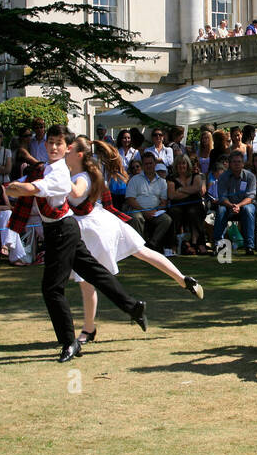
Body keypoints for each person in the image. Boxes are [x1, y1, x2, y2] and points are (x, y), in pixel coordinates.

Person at [5, 125, 149, 363]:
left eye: (58, 144)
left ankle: (69, 342)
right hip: (61, 230)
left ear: (67, 148)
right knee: (95, 273)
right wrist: (16, 188)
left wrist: (14, 188)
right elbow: (26, 185)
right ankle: (133, 307)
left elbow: (31, 188)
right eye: (50, 142)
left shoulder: (61, 174)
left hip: (62, 232)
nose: (53, 147)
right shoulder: (46, 168)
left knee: (52, 288)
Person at [65, 137, 202, 346]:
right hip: (99, 222)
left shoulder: (81, 176)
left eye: (69, 149)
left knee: (87, 281)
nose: (64, 151)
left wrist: (51, 184)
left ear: (79, 155)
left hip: (93, 227)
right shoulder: (79, 171)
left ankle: (89, 328)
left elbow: (76, 192)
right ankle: (184, 279)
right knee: (141, 252)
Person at [125, 153, 173, 253]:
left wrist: (155, 211)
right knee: (136, 217)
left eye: (151, 163)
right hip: (138, 210)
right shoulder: (135, 179)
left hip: (155, 212)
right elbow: (130, 199)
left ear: (155, 164)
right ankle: (140, 247)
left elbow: (164, 202)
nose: (149, 166)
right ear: (143, 165)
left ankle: (152, 245)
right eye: (146, 164)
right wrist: (145, 211)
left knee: (166, 219)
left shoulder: (162, 182)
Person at [214, 151, 257, 254]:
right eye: (234, 162)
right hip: (228, 205)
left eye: (239, 162)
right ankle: (218, 245)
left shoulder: (250, 176)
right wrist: (231, 205)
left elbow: (251, 197)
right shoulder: (223, 177)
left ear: (243, 163)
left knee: (248, 209)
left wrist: (239, 205)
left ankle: (249, 246)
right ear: (229, 163)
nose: (237, 164)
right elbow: (222, 197)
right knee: (221, 210)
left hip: (245, 205)